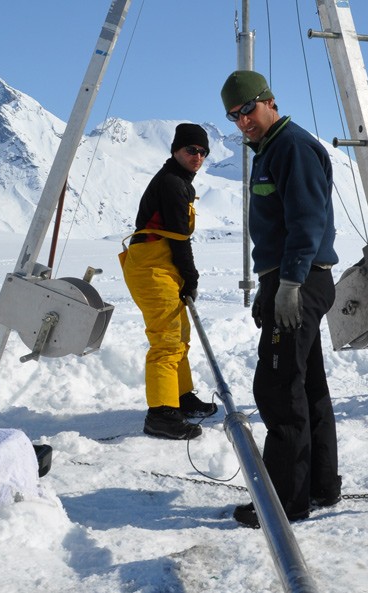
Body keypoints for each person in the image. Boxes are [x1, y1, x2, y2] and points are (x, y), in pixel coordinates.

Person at [220, 70, 341, 528]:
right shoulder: (272, 150)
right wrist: (271, 289)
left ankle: (285, 502)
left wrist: (288, 285)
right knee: (307, 386)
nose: (242, 122)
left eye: (247, 110)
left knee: (277, 388)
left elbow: (307, 222)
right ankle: (320, 485)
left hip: (302, 281)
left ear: (269, 100)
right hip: (290, 282)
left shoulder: (292, 147)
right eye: (234, 116)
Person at [122, 123, 218, 440]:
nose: (198, 156)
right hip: (151, 267)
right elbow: (179, 240)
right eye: (192, 150)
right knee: (166, 340)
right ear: (176, 150)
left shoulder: (178, 181)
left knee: (180, 335)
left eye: (203, 151)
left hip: (160, 264)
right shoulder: (173, 184)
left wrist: (184, 277)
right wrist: (191, 277)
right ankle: (161, 414)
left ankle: (181, 396)